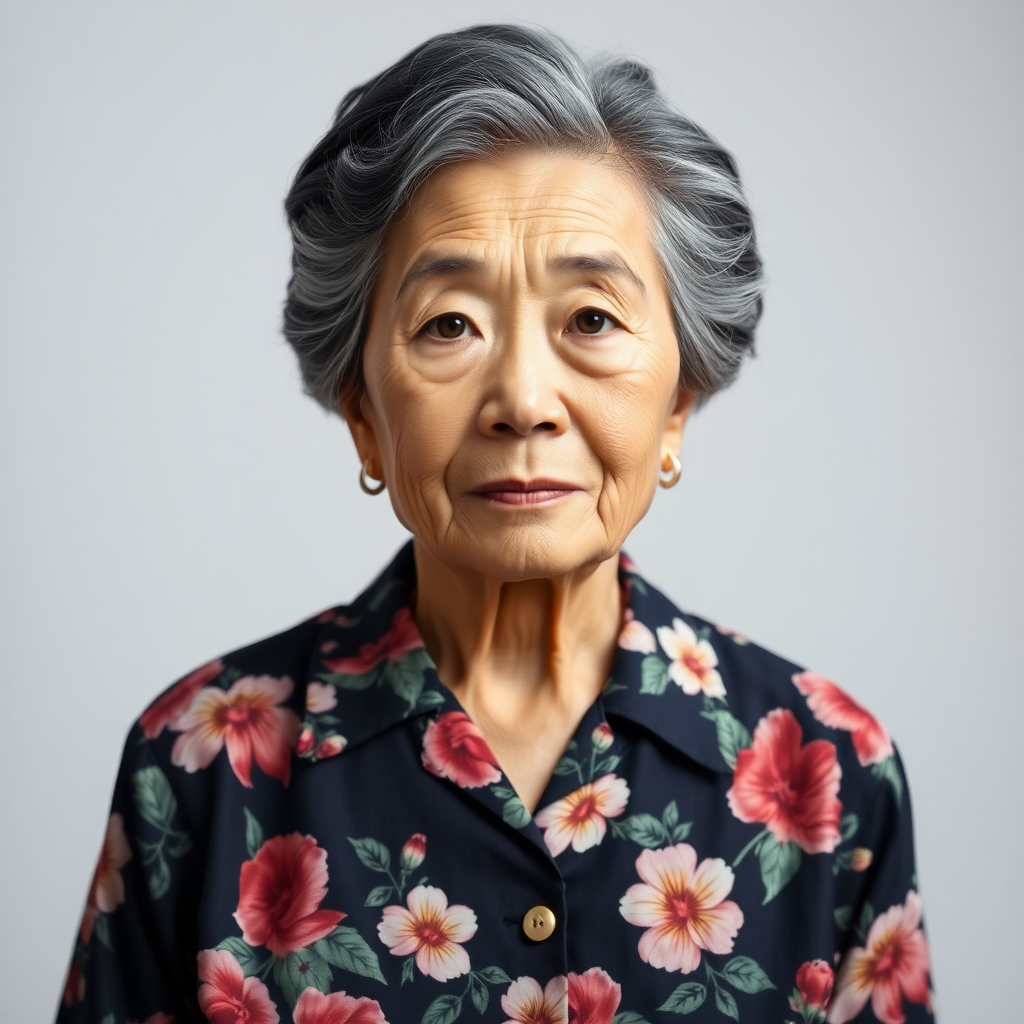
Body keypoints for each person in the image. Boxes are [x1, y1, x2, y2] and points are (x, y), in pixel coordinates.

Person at [57, 24, 934, 1024]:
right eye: (448, 324)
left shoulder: (828, 771)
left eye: (591, 319)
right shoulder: (199, 765)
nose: (522, 397)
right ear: (362, 412)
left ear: (678, 401)